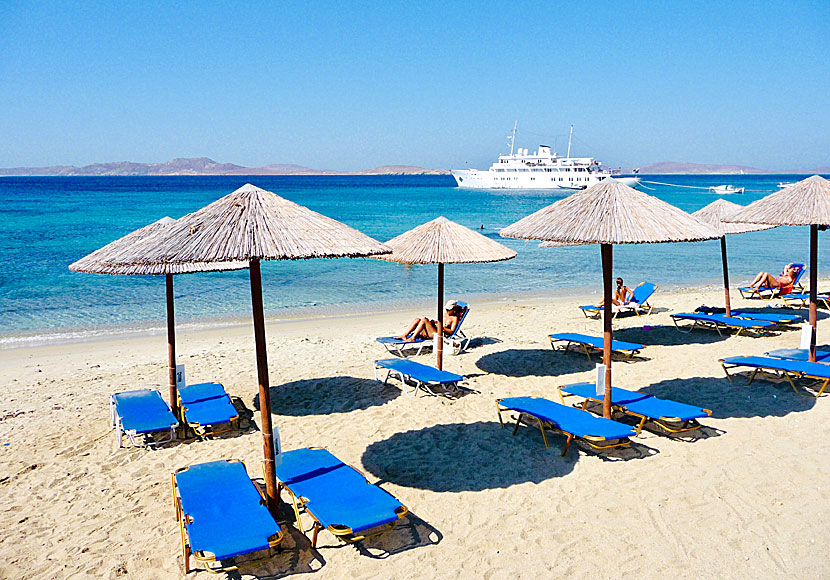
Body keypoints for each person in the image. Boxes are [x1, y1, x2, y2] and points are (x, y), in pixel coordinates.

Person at [394, 300, 463, 342]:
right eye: (446, 309)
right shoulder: (444, 314)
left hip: (439, 335)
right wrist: (434, 323)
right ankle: (405, 335)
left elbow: (451, 332)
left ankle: (413, 337)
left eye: (449, 309)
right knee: (417, 319)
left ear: (454, 309)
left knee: (424, 319)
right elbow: (439, 323)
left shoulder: (454, 318)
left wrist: (442, 328)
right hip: (434, 330)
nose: (447, 311)